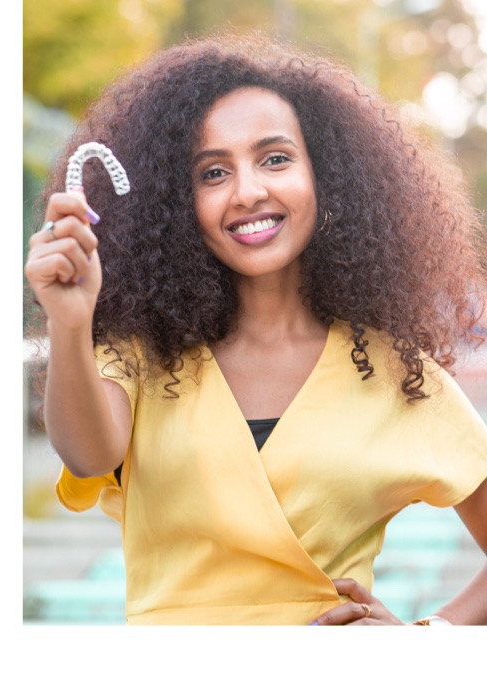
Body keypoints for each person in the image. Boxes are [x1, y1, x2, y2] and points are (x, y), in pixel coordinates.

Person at [25, 33, 487, 625]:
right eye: (212, 172)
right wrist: (70, 323)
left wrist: (429, 639)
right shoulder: (144, 354)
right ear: (176, 199)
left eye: (275, 159)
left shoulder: (396, 372)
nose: (248, 192)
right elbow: (89, 456)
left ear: (327, 176)